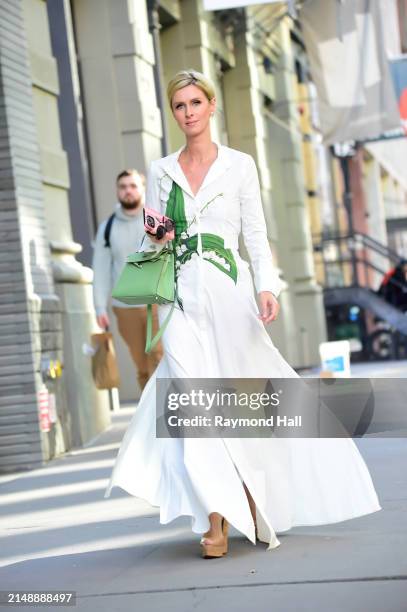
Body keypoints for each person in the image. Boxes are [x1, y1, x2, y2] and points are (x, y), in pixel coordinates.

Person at [104, 70, 381, 558]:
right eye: (179, 106)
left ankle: (253, 498)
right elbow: (153, 239)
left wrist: (266, 288)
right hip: (181, 300)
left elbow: (254, 233)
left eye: (195, 103)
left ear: (212, 107)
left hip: (230, 296)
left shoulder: (239, 165)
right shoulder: (162, 169)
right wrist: (158, 237)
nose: (188, 113)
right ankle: (216, 520)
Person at [92, 169, 163, 392]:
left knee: (159, 355)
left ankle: (168, 414)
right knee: (141, 365)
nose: (128, 191)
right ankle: (150, 416)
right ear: (117, 191)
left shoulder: (157, 220)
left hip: (157, 301)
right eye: (123, 187)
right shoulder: (107, 228)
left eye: (133, 186)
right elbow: (101, 269)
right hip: (125, 307)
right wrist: (99, 306)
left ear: (142, 189)